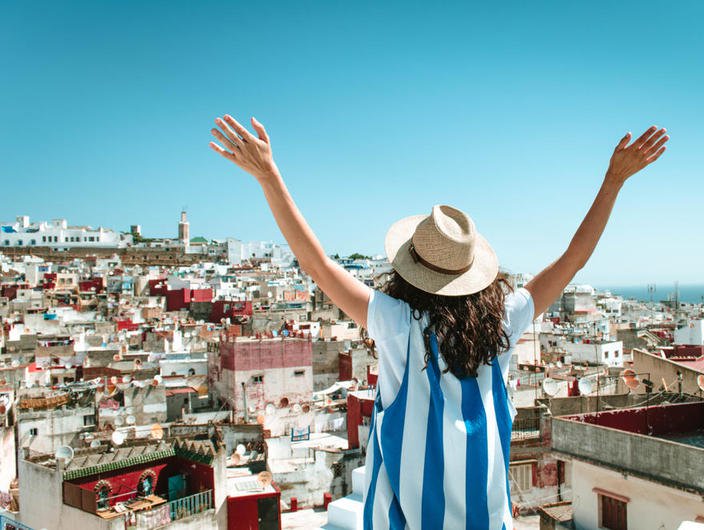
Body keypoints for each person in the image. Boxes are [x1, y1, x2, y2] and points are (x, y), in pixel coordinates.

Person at [209, 116, 668, 529]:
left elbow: (317, 264)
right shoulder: (503, 322)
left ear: (411, 268)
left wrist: (269, 176)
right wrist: (613, 181)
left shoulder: (395, 322)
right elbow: (573, 259)